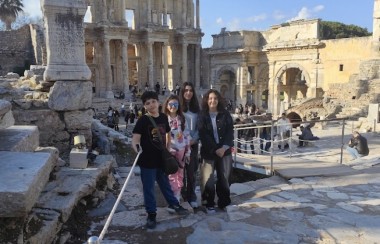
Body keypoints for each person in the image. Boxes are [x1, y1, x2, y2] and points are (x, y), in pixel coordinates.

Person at [132, 91, 189, 229]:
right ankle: (151, 214)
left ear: (158, 102)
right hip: (147, 161)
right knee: (149, 188)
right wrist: (137, 149)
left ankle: (174, 204)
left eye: (153, 101)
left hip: (161, 159)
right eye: (147, 103)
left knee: (165, 184)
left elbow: (168, 134)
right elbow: (135, 140)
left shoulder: (163, 117)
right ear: (145, 106)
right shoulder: (143, 120)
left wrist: (168, 149)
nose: (151, 105)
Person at [198, 89, 234, 213]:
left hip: (225, 151)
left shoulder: (225, 114)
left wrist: (223, 148)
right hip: (209, 151)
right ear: (207, 101)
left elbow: (230, 132)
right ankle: (208, 203)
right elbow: (203, 134)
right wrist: (215, 149)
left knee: (224, 177)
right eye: (210, 98)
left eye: (215, 98)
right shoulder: (202, 115)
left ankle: (224, 202)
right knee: (207, 178)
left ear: (219, 100)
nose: (213, 101)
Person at [163, 95, 191, 202]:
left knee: (180, 173)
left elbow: (187, 136)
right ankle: (172, 197)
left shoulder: (182, 119)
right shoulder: (164, 118)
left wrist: (188, 153)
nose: (173, 106)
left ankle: (177, 195)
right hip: (169, 151)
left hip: (181, 150)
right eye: (171, 104)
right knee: (171, 174)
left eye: (175, 104)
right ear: (167, 105)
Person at [179, 82, 200, 208]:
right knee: (180, 172)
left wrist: (193, 140)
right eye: (186, 90)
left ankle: (191, 195)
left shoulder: (197, 109)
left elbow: (200, 127)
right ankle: (182, 195)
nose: (188, 92)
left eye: (191, 90)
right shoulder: (177, 108)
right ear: (182, 92)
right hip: (180, 145)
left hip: (192, 144)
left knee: (191, 172)